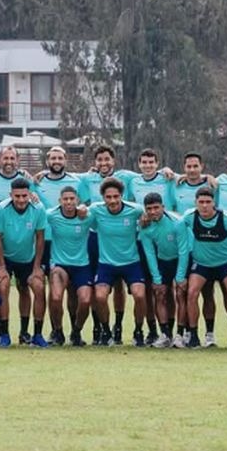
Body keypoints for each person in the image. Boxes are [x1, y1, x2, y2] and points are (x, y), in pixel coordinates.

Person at [79, 145, 140, 345]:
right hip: (97, 238)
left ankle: (121, 326)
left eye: (107, 159)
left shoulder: (126, 177)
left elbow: (150, 172)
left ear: (113, 160)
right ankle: (100, 328)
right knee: (99, 290)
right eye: (100, 160)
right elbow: (65, 175)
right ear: (95, 162)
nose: (104, 163)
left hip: (123, 243)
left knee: (122, 288)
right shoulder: (87, 180)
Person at [86, 178, 147, 347]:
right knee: (99, 296)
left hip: (131, 263)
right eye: (108, 197)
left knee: (140, 295)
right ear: (103, 197)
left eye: (116, 196)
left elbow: (147, 218)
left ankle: (138, 331)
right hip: (106, 263)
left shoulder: (135, 210)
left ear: (122, 195)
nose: (112, 201)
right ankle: (106, 331)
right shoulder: (96, 210)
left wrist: (145, 221)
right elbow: (80, 214)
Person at [0, 178, 50, 347]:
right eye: (18, 196)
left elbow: (40, 237)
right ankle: (4, 334)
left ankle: (32, 334)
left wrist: (37, 266)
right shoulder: (2, 208)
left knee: (36, 287)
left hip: (27, 258)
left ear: (30, 194)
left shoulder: (38, 209)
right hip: (5, 257)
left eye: (25, 195)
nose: (21, 200)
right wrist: (1, 267)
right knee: (3, 286)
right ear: (11, 195)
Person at [182, 187, 227, 348]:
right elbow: (174, 226)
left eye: (208, 202)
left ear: (214, 203)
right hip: (202, 263)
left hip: (226, 263)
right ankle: (196, 335)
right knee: (192, 293)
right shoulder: (189, 217)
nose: (204, 206)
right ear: (195, 203)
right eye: (201, 202)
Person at [138, 192, 190, 347]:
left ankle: (180, 334)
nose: (153, 212)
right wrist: (156, 278)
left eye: (156, 208)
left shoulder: (177, 222)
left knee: (180, 293)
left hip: (181, 259)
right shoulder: (145, 226)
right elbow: (150, 253)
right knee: (159, 293)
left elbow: (183, 250)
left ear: (163, 207)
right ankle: (165, 334)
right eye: (149, 209)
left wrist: (180, 277)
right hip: (162, 261)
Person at [46, 186, 94, 346]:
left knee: (85, 301)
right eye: (65, 199)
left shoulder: (87, 217)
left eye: (72, 199)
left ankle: (76, 332)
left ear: (77, 200)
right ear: (60, 201)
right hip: (60, 264)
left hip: (82, 265)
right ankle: (57, 331)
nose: (68, 202)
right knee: (56, 297)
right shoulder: (51, 215)